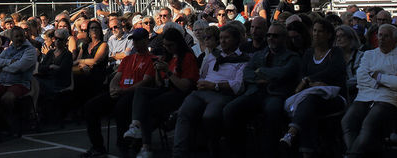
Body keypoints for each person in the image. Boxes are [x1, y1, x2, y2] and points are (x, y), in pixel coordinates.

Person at [220, 23, 302, 158]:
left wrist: (261, 71)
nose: (271, 38)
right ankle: (237, 151)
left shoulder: (292, 57)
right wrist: (261, 77)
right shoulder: (259, 55)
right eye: (269, 35)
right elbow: (246, 73)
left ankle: (270, 152)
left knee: (272, 111)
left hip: (275, 94)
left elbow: (283, 73)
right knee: (230, 109)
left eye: (275, 36)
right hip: (254, 93)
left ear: (284, 38)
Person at [172, 24, 248, 158]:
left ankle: (214, 150)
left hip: (222, 94)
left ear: (236, 40)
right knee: (184, 112)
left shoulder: (243, 60)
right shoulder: (213, 55)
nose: (223, 41)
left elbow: (238, 86)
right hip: (202, 91)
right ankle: (179, 153)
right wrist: (202, 83)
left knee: (210, 116)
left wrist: (214, 86)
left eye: (227, 38)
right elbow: (203, 73)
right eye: (221, 38)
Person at [124, 27, 199, 158]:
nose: (168, 48)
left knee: (147, 107)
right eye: (165, 45)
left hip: (180, 94)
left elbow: (185, 86)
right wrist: (158, 71)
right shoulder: (168, 57)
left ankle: (145, 145)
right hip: (166, 90)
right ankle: (135, 126)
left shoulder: (187, 57)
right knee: (141, 92)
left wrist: (168, 72)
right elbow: (159, 83)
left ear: (178, 43)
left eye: (170, 45)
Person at [81, 27, 155, 158]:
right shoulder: (127, 59)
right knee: (90, 107)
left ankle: (124, 146)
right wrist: (113, 89)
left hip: (134, 94)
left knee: (121, 108)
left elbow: (145, 82)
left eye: (139, 41)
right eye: (134, 41)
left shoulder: (151, 59)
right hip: (119, 92)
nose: (136, 44)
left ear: (146, 41)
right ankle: (97, 146)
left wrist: (123, 91)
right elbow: (116, 77)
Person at [279, 19, 347, 153]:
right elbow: (302, 74)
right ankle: (305, 150)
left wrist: (309, 80)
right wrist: (310, 83)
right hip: (311, 97)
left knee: (310, 102)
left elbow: (334, 71)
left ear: (328, 34)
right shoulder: (309, 53)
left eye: (320, 31)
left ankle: (291, 132)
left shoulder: (336, 52)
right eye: (314, 30)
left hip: (334, 96)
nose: (316, 34)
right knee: (310, 109)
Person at [342, 24, 397, 158]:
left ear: (395, 40)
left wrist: (378, 76)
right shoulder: (368, 55)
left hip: (388, 99)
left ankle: (352, 155)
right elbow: (361, 78)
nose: (382, 39)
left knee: (369, 124)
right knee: (347, 121)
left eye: (386, 36)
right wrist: (385, 80)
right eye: (380, 35)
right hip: (364, 96)